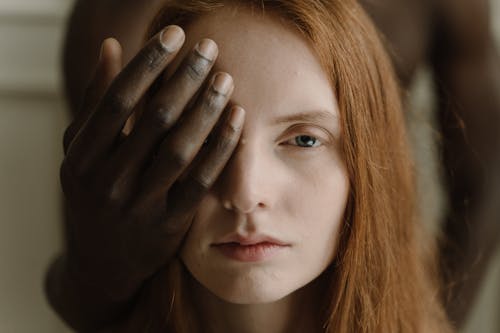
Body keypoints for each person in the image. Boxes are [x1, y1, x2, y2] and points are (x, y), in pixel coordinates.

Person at [45, 0, 500, 331]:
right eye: (205, 137)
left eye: (304, 139)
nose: (246, 192)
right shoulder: (118, 17)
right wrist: (102, 272)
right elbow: (97, 239)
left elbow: (489, 173)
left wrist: (408, 317)